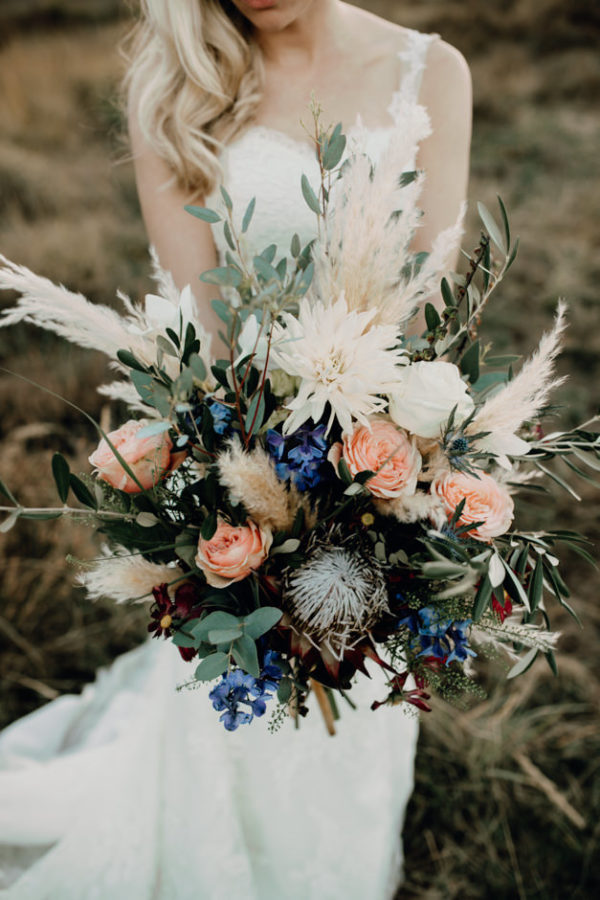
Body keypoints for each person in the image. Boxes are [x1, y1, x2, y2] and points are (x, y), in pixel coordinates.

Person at [0, 2, 471, 897]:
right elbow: (202, 340)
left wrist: (381, 477)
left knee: (360, 709)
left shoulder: (431, 72)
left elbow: (430, 308)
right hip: (248, 466)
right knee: (244, 703)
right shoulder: (178, 91)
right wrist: (255, 507)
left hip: (381, 465)